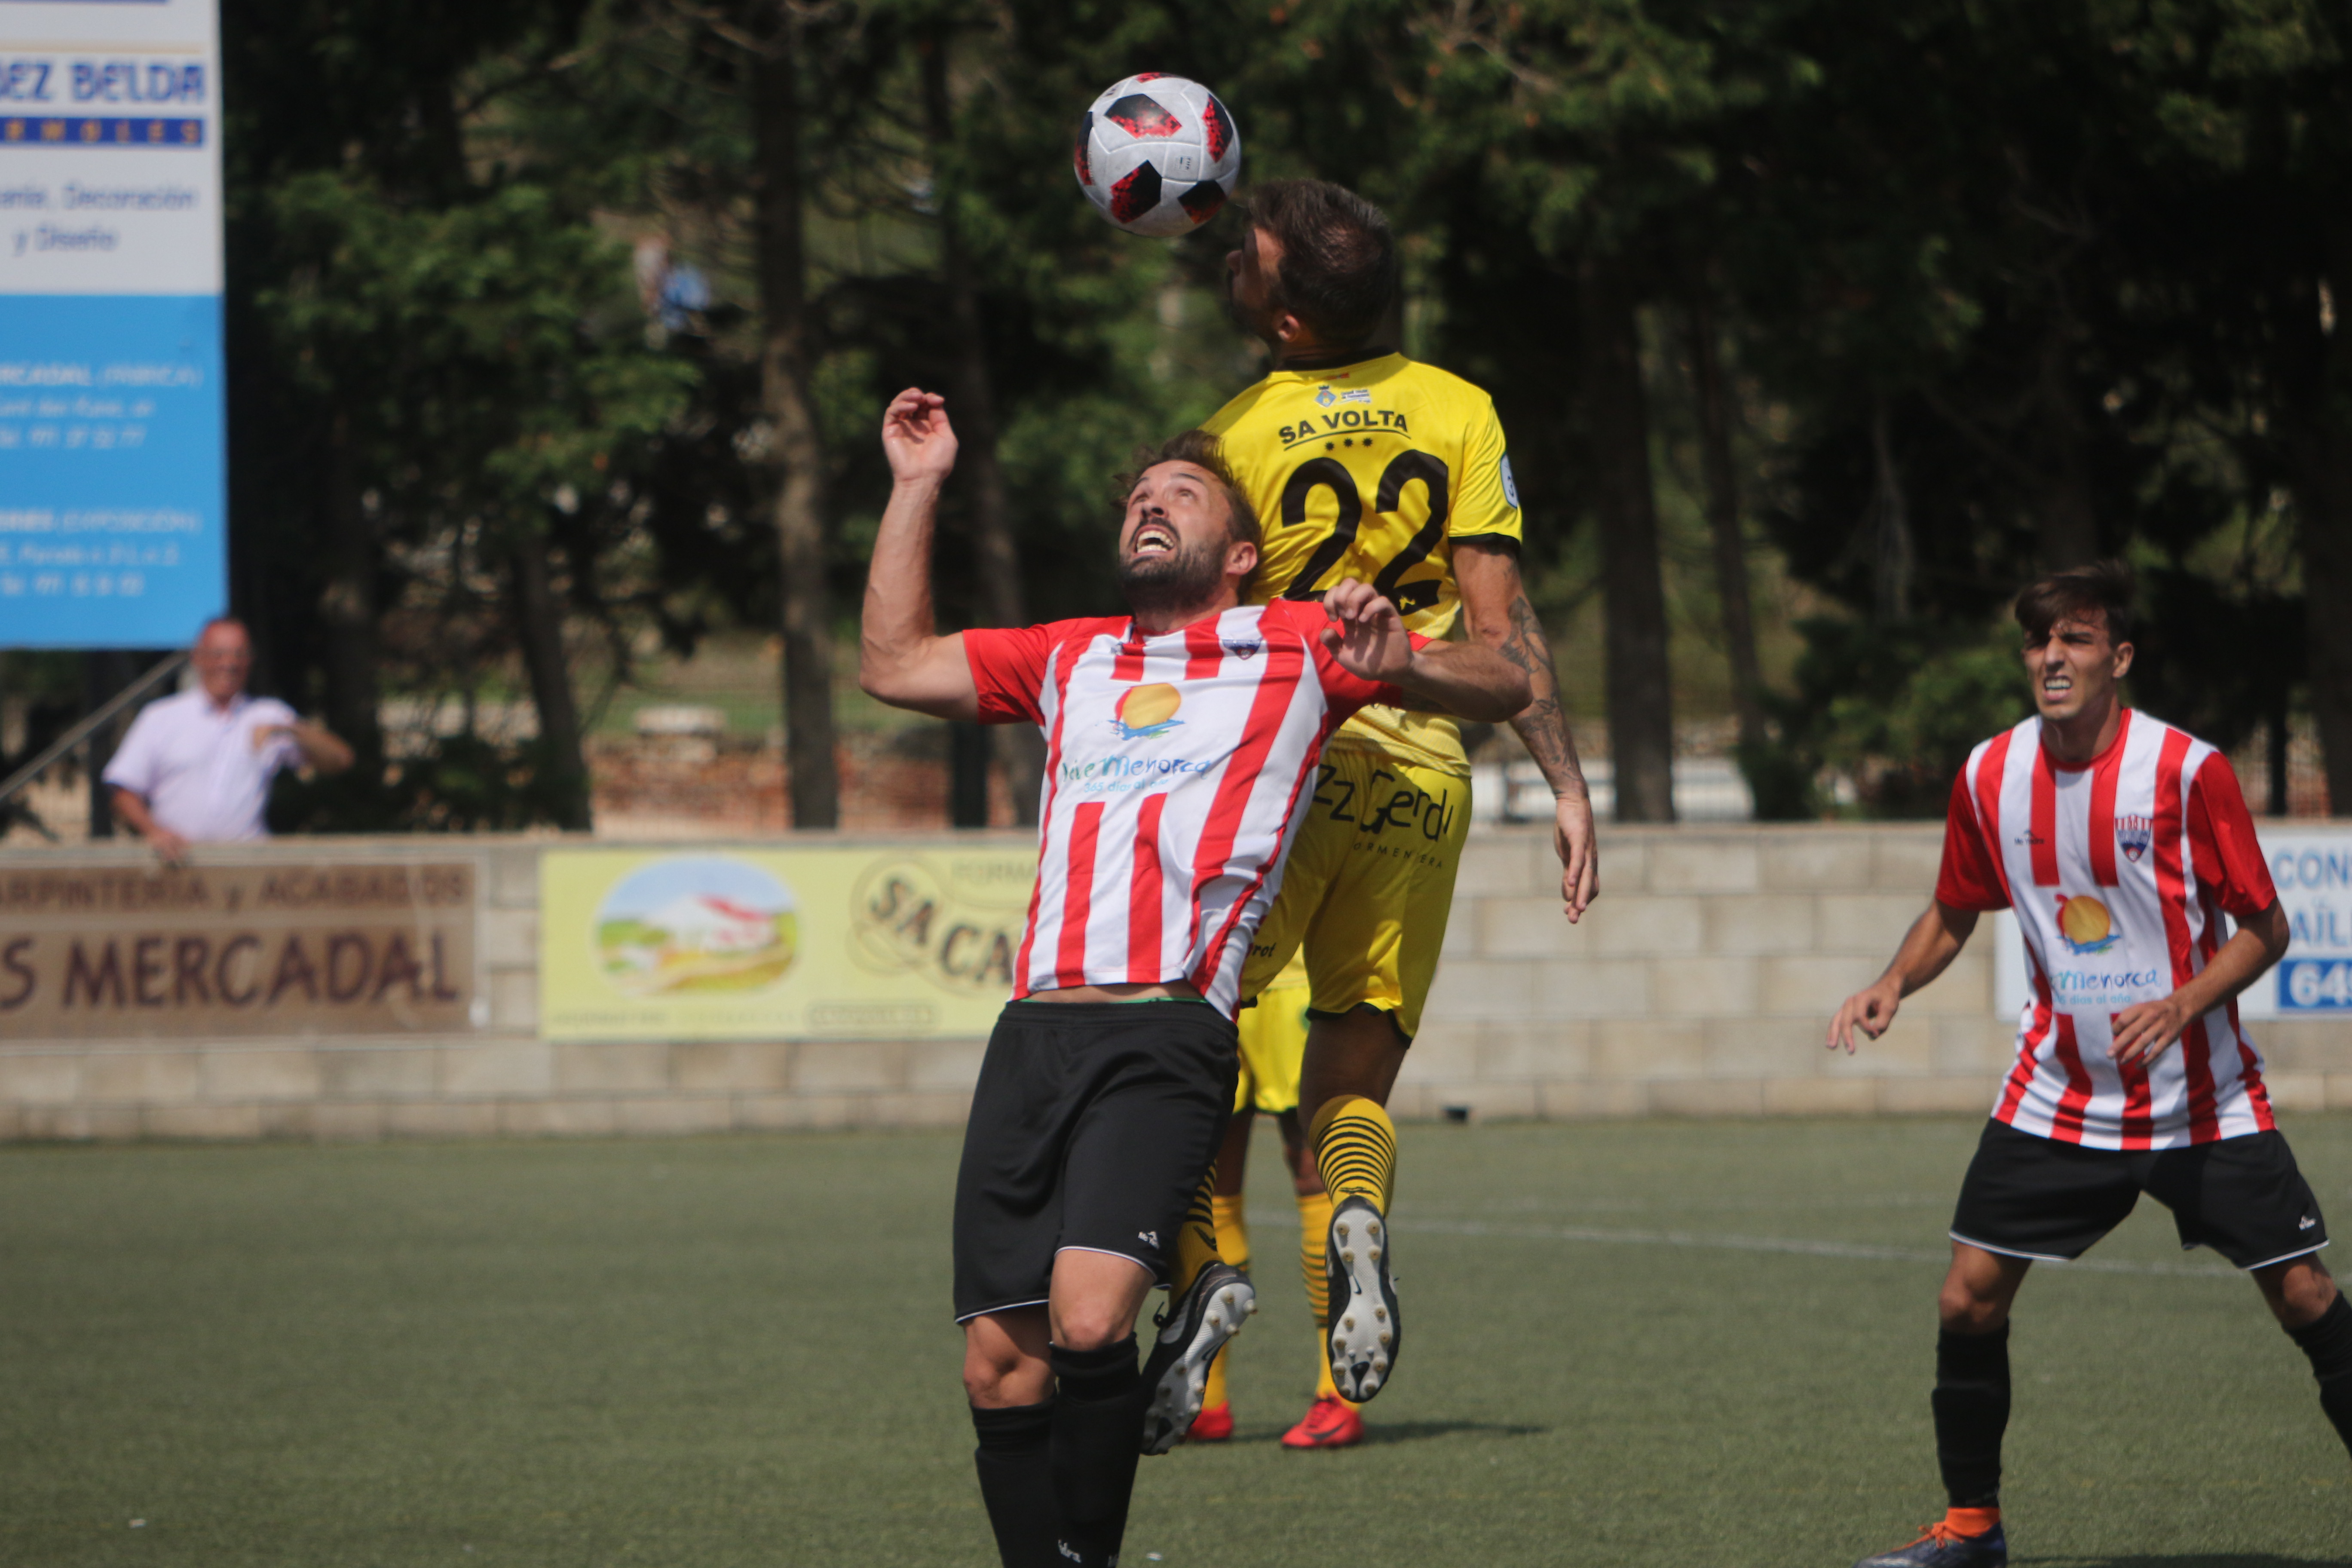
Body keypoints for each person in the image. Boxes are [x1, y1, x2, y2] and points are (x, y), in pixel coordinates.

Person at [858, 386, 1528, 1568]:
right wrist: (916, 487)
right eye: (1136, 500)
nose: (1147, 508)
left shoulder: (1303, 642)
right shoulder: (1071, 656)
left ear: (1240, 553)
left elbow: (1505, 677)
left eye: (1178, 495)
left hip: (1165, 1035)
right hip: (1029, 1036)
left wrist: (1404, 667)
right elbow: (896, 665)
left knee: (1088, 1318)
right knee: (997, 1366)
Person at [1829, 561, 2352, 1568]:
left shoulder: (2185, 771)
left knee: (2303, 1298)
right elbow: (1955, 905)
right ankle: (1970, 1531)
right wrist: (1892, 979)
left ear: (2115, 659)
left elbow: (2266, 926)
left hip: (2198, 1100)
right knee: (1964, 1298)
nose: (2049, 659)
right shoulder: (1988, 772)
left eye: (2071, 641)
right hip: (2057, 1097)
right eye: (2035, 642)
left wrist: (2184, 1002)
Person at [1175, 178, 1598, 1416]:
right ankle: (1356, 1212)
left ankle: (1203, 1281)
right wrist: (1567, 785)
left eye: (1245, 260)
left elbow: (1201, 643)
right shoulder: (1460, 407)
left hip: (1286, 777)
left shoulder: (1235, 435)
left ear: (1290, 322)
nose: (1229, 268)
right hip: (1423, 775)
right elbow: (1504, 635)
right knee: (1347, 1089)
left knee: (1188, 1053)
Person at [1186, 950, 1369, 1448]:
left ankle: (1341, 1394)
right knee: (1207, 1178)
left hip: (1296, 978)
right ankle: (1204, 1400)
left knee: (1314, 1164)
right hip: (1206, 979)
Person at [104, 617, 354, 863]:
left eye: (239, 655)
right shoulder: (162, 717)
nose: (229, 664)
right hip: (176, 864)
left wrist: (292, 730)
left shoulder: (268, 716)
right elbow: (123, 789)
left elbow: (340, 761)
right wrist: (154, 832)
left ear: (250, 661)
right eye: (219, 654)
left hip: (247, 866)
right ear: (198, 658)